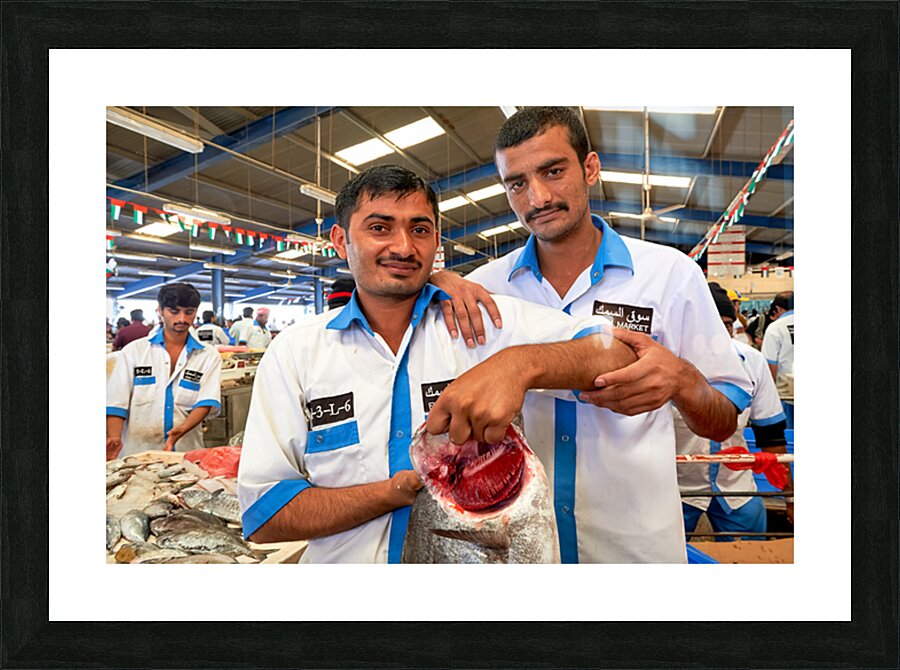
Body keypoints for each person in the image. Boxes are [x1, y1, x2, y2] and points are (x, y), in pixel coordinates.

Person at [236, 164, 638, 564]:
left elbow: (616, 354)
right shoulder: (295, 353)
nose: (403, 247)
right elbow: (265, 515)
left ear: (436, 240)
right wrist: (394, 493)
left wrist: (521, 364)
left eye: (419, 229)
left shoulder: (484, 323)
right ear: (340, 240)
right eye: (379, 228)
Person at [430, 106, 752, 563]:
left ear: (590, 169)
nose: (537, 197)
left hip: (634, 553)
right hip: (522, 551)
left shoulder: (668, 276)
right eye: (517, 183)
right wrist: (431, 283)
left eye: (553, 171)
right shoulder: (485, 289)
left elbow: (723, 421)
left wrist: (681, 380)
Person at [676, 284, 792, 540]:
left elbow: (771, 434)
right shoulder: (666, 363)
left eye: (726, 325)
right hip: (676, 486)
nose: (718, 334)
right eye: (710, 324)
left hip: (735, 483)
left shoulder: (751, 361)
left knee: (751, 551)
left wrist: (790, 497)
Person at [106, 283, 222, 459]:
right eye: (174, 312)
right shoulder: (134, 352)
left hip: (185, 451)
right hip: (137, 452)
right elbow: (117, 402)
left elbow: (206, 401)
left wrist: (182, 429)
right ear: (160, 311)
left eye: (189, 312)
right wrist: (114, 437)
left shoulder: (208, 355)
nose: (182, 319)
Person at [761, 290, 794, 428]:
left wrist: (768, 395)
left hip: (786, 396)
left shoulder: (775, 328)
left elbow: (770, 365)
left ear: (778, 308)